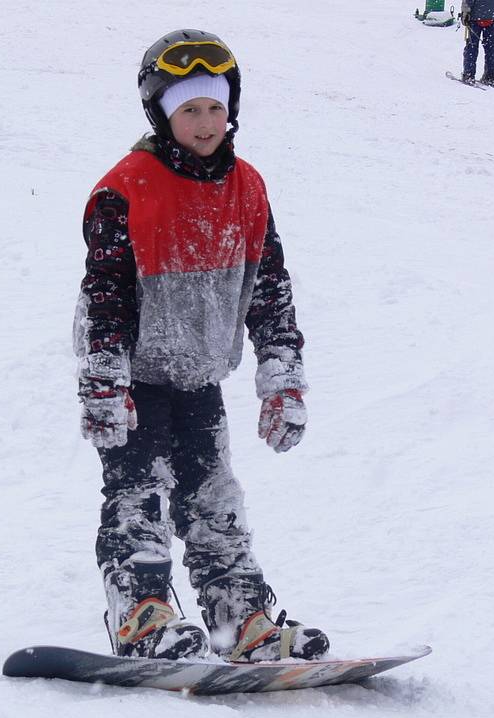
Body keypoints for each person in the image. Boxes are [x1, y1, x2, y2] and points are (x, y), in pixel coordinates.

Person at [73, 29, 330, 663]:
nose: (205, 121)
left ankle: (238, 616)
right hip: (134, 377)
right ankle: (140, 612)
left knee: (215, 497)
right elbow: (104, 295)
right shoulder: (124, 188)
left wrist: (283, 379)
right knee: (140, 495)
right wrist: (104, 380)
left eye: (215, 105)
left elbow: (270, 289)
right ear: (160, 113)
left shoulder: (248, 187)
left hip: (200, 374)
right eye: (188, 108)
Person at [461, 0, 494, 84]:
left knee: (472, 45)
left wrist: (465, 13)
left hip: (476, 16)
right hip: (493, 15)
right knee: (490, 46)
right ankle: (489, 77)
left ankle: (468, 74)